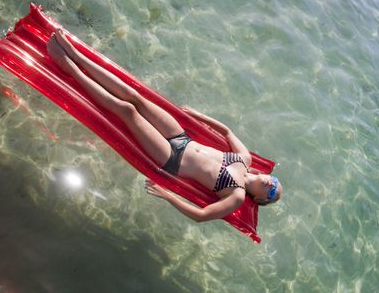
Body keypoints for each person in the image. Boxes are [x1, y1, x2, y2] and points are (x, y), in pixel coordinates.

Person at [46, 29, 282, 222]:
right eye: (275, 182)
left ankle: (70, 68)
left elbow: (201, 216)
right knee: (134, 96)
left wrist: (168, 196)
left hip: (171, 158)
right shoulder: (244, 160)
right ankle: (77, 55)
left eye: (271, 192)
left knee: (127, 110)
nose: (271, 183)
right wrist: (199, 115)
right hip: (183, 138)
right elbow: (228, 131)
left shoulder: (237, 195)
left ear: (260, 200)